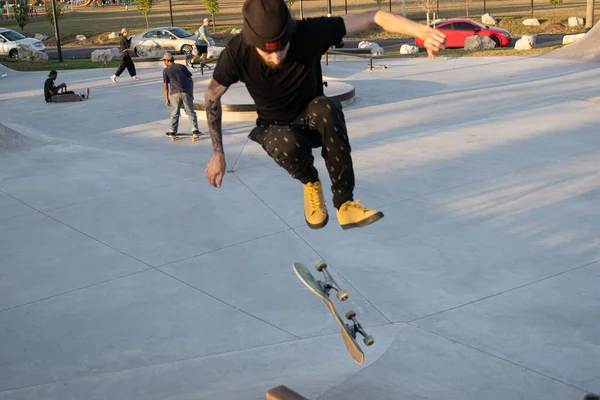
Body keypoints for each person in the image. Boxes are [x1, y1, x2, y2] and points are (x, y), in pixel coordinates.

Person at [203, 0, 446, 230]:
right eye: (268, 54)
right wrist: (218, 153)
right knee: (285, 140)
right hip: (274, 129)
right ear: (251, 41)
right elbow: (212, 96)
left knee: (327, 107)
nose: (277, 58)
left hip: (313, 122)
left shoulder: (309, 31)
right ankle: (311, 182)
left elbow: (374, 17)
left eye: (283, 49)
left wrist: (421, 31)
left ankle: (345, 204)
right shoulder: (236, 52)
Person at [162, 52, 202, 139]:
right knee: (190, 111)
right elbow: (191, 80)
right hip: (186, 92)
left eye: (164, 61)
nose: (164, 63)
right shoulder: (182, 67)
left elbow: (165, 86)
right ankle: (195, 129)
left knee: (175, 112)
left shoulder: (166, 70)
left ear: (167, 60)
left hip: (175, 94)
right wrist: (191, 92)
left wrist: (166, 98)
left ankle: (172, 130)